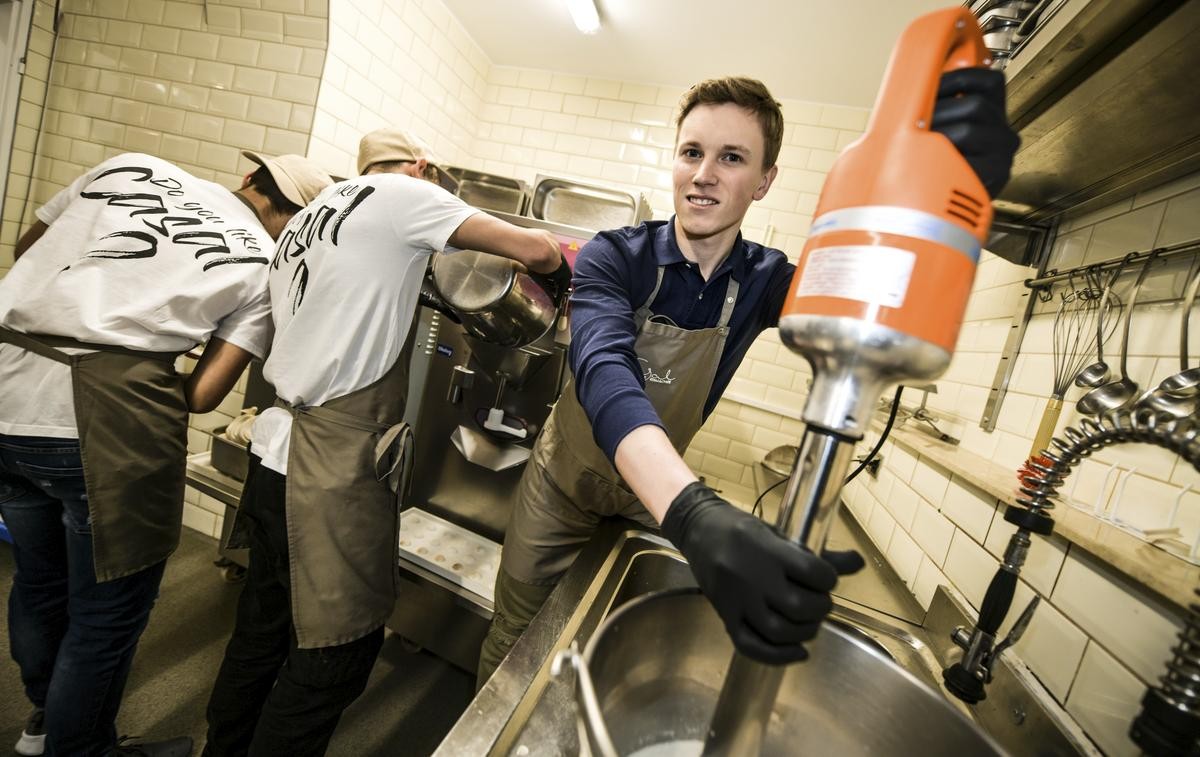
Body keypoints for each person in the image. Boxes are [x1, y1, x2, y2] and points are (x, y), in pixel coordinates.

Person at [477, 70, 1020, 683]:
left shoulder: (767, 280)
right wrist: (691, 510)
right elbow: (604, 369)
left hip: (646, 500)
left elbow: (877, 298)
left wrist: (945, 198)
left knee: (605, 645)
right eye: (692, 152)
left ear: (764, 181)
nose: (704, 173)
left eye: (731, 157)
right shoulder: (614, 255)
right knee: (515, 633)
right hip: (562, 488)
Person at [201, 127, 565, 757]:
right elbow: (530, 248)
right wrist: (561, 273)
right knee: (335, 654)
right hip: (328, 469)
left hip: (272, 450)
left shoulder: (308, 219)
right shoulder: (401, 194)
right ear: (421, 167)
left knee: (262, 632)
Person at [0, 151, 333, 757]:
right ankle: (79, 750)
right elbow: (204, 395)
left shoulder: (128, 167)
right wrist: (138, 360)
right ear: (296, 225)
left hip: (6, 383)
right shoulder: (261, 263)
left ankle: (43, 724)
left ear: (248, 179)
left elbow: (30, 251)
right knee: (106, 613)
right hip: (104, 429)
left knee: (39, 580)